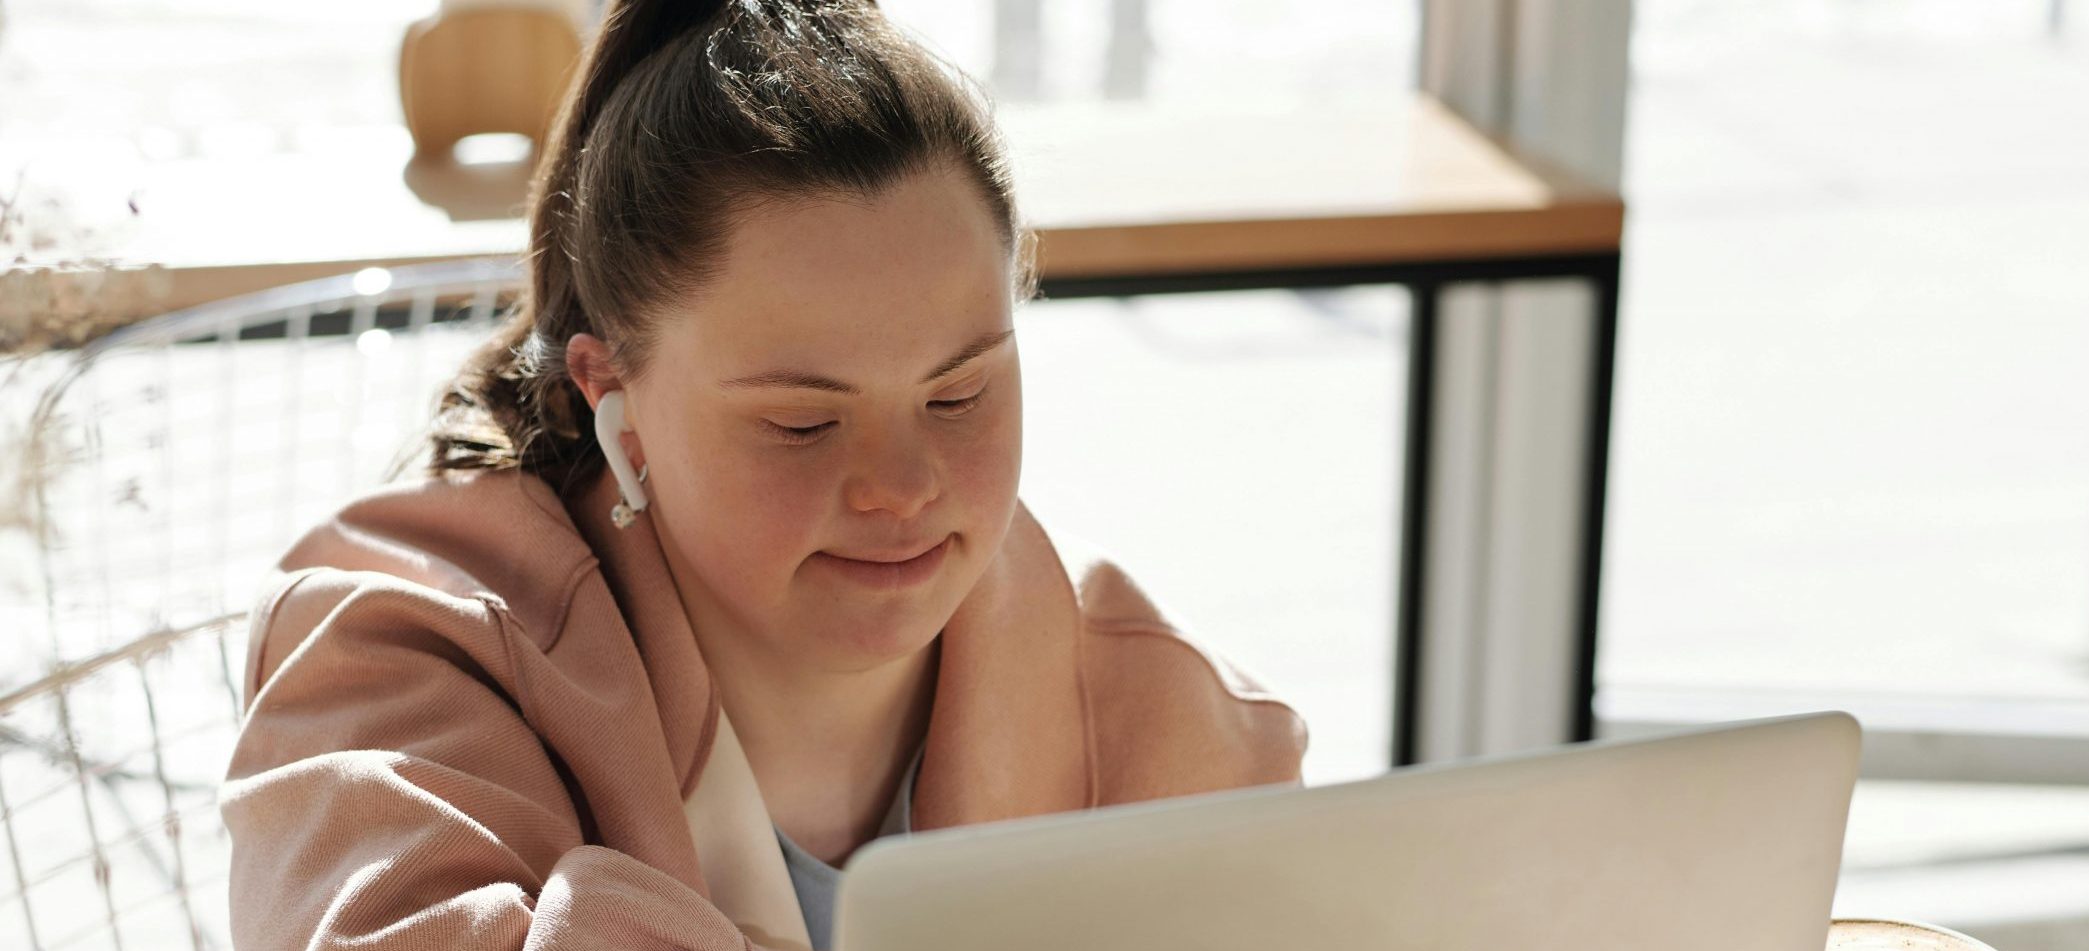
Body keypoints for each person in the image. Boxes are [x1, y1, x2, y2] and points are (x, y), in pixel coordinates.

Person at [217, 1, 1307, 948]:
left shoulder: (1169, 726)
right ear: (619, 403)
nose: (902, 485)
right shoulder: (401, 653)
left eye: (958, 394)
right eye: (801, 423)